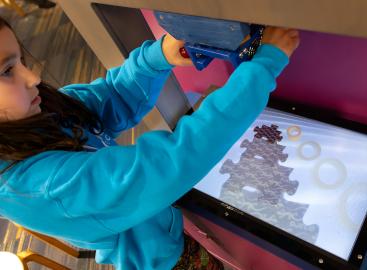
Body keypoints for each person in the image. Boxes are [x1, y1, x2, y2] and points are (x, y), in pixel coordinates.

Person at [0, 16, 300, 269]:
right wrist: (262, 68)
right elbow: (168, 163)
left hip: (159, 224)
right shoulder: (36, 187)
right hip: (158, 259)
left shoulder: (35, 110)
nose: (33, 77)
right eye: (7, 71)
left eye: (20, 60)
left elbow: (108, 99)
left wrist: (157, 59)